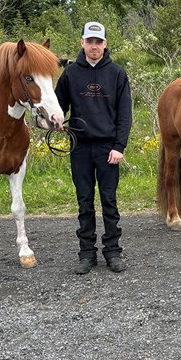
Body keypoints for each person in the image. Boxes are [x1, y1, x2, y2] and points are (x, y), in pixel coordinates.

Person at [56, 21, 133, 275]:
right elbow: (58, 105)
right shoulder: (70, 74)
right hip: (80, 147)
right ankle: (86, 253)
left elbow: (125, 114)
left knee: (109, 201)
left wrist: (119, 146)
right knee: (84, 201)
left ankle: (112, 251)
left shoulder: (117, 74)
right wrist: (56, 120)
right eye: (90, 41)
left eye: (98, 42)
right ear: (82, 43)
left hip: (108, 149)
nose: (94, 46)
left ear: (105, 44)